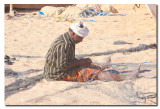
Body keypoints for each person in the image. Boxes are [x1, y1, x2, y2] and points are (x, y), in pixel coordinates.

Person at [43, 21, 141, 82]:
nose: (81, 40)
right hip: (58, 74)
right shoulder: (64, 44)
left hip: (61, 68)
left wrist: (81, 62)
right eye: (80, 37)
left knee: (88, 64)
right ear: (73, 33)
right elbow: (62, 66)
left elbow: (67, 60)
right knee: (93, 73)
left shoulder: (68, 38)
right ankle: (126, 77)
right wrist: (80, 62)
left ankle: (104, 66)